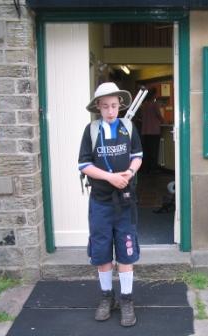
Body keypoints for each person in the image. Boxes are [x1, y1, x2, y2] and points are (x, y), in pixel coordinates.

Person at [78, 82, 143, 327]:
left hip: (126, 203)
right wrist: (109, 177)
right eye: (105, 106)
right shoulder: (91, 130)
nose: (110, 111)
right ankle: (107, 297)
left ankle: (127, 300)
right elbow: (84, 165)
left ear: (120, 105)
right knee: (102, 250)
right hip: (101, 202)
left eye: (114, 106)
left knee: (126, 251)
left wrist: (128, 172)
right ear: (98, 107)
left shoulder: (128, 127)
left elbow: (137, 156)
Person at [140, 87, 165, 174]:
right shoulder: (154, 104)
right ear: (154, 94)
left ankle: (146, 169)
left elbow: (141, 117)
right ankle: (153, 169)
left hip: (145, 131)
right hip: (154, 131)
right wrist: (163, 120)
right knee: (154, 151)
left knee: (146, 151)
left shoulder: (144, 104)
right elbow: (159, 116)